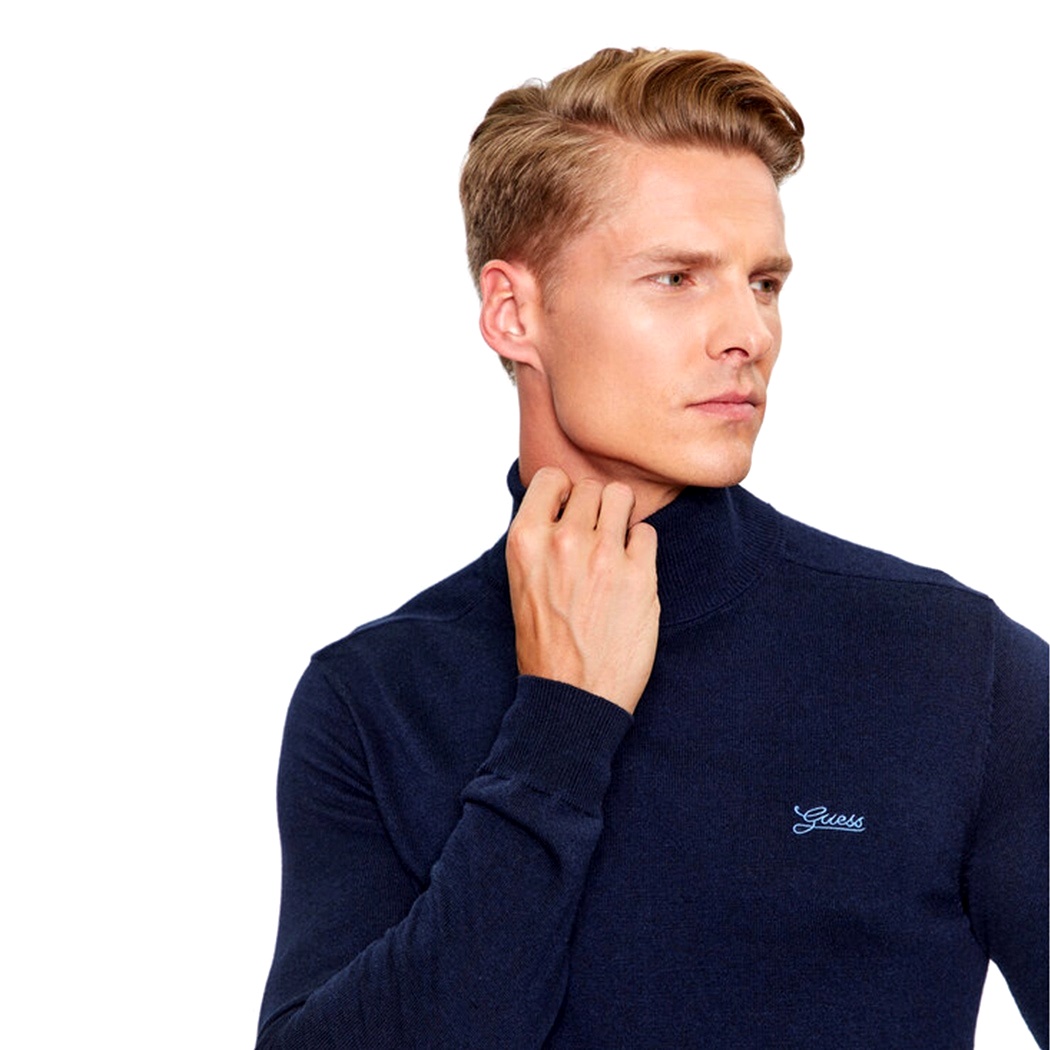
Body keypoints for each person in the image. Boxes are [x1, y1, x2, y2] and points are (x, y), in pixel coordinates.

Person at [255, 47, 1048, 1049]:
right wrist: (561, 728)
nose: (747, 333)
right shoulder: (375, 698)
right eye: (676, 278)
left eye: (764, 283)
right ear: (514, 311)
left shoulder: (953, 666)